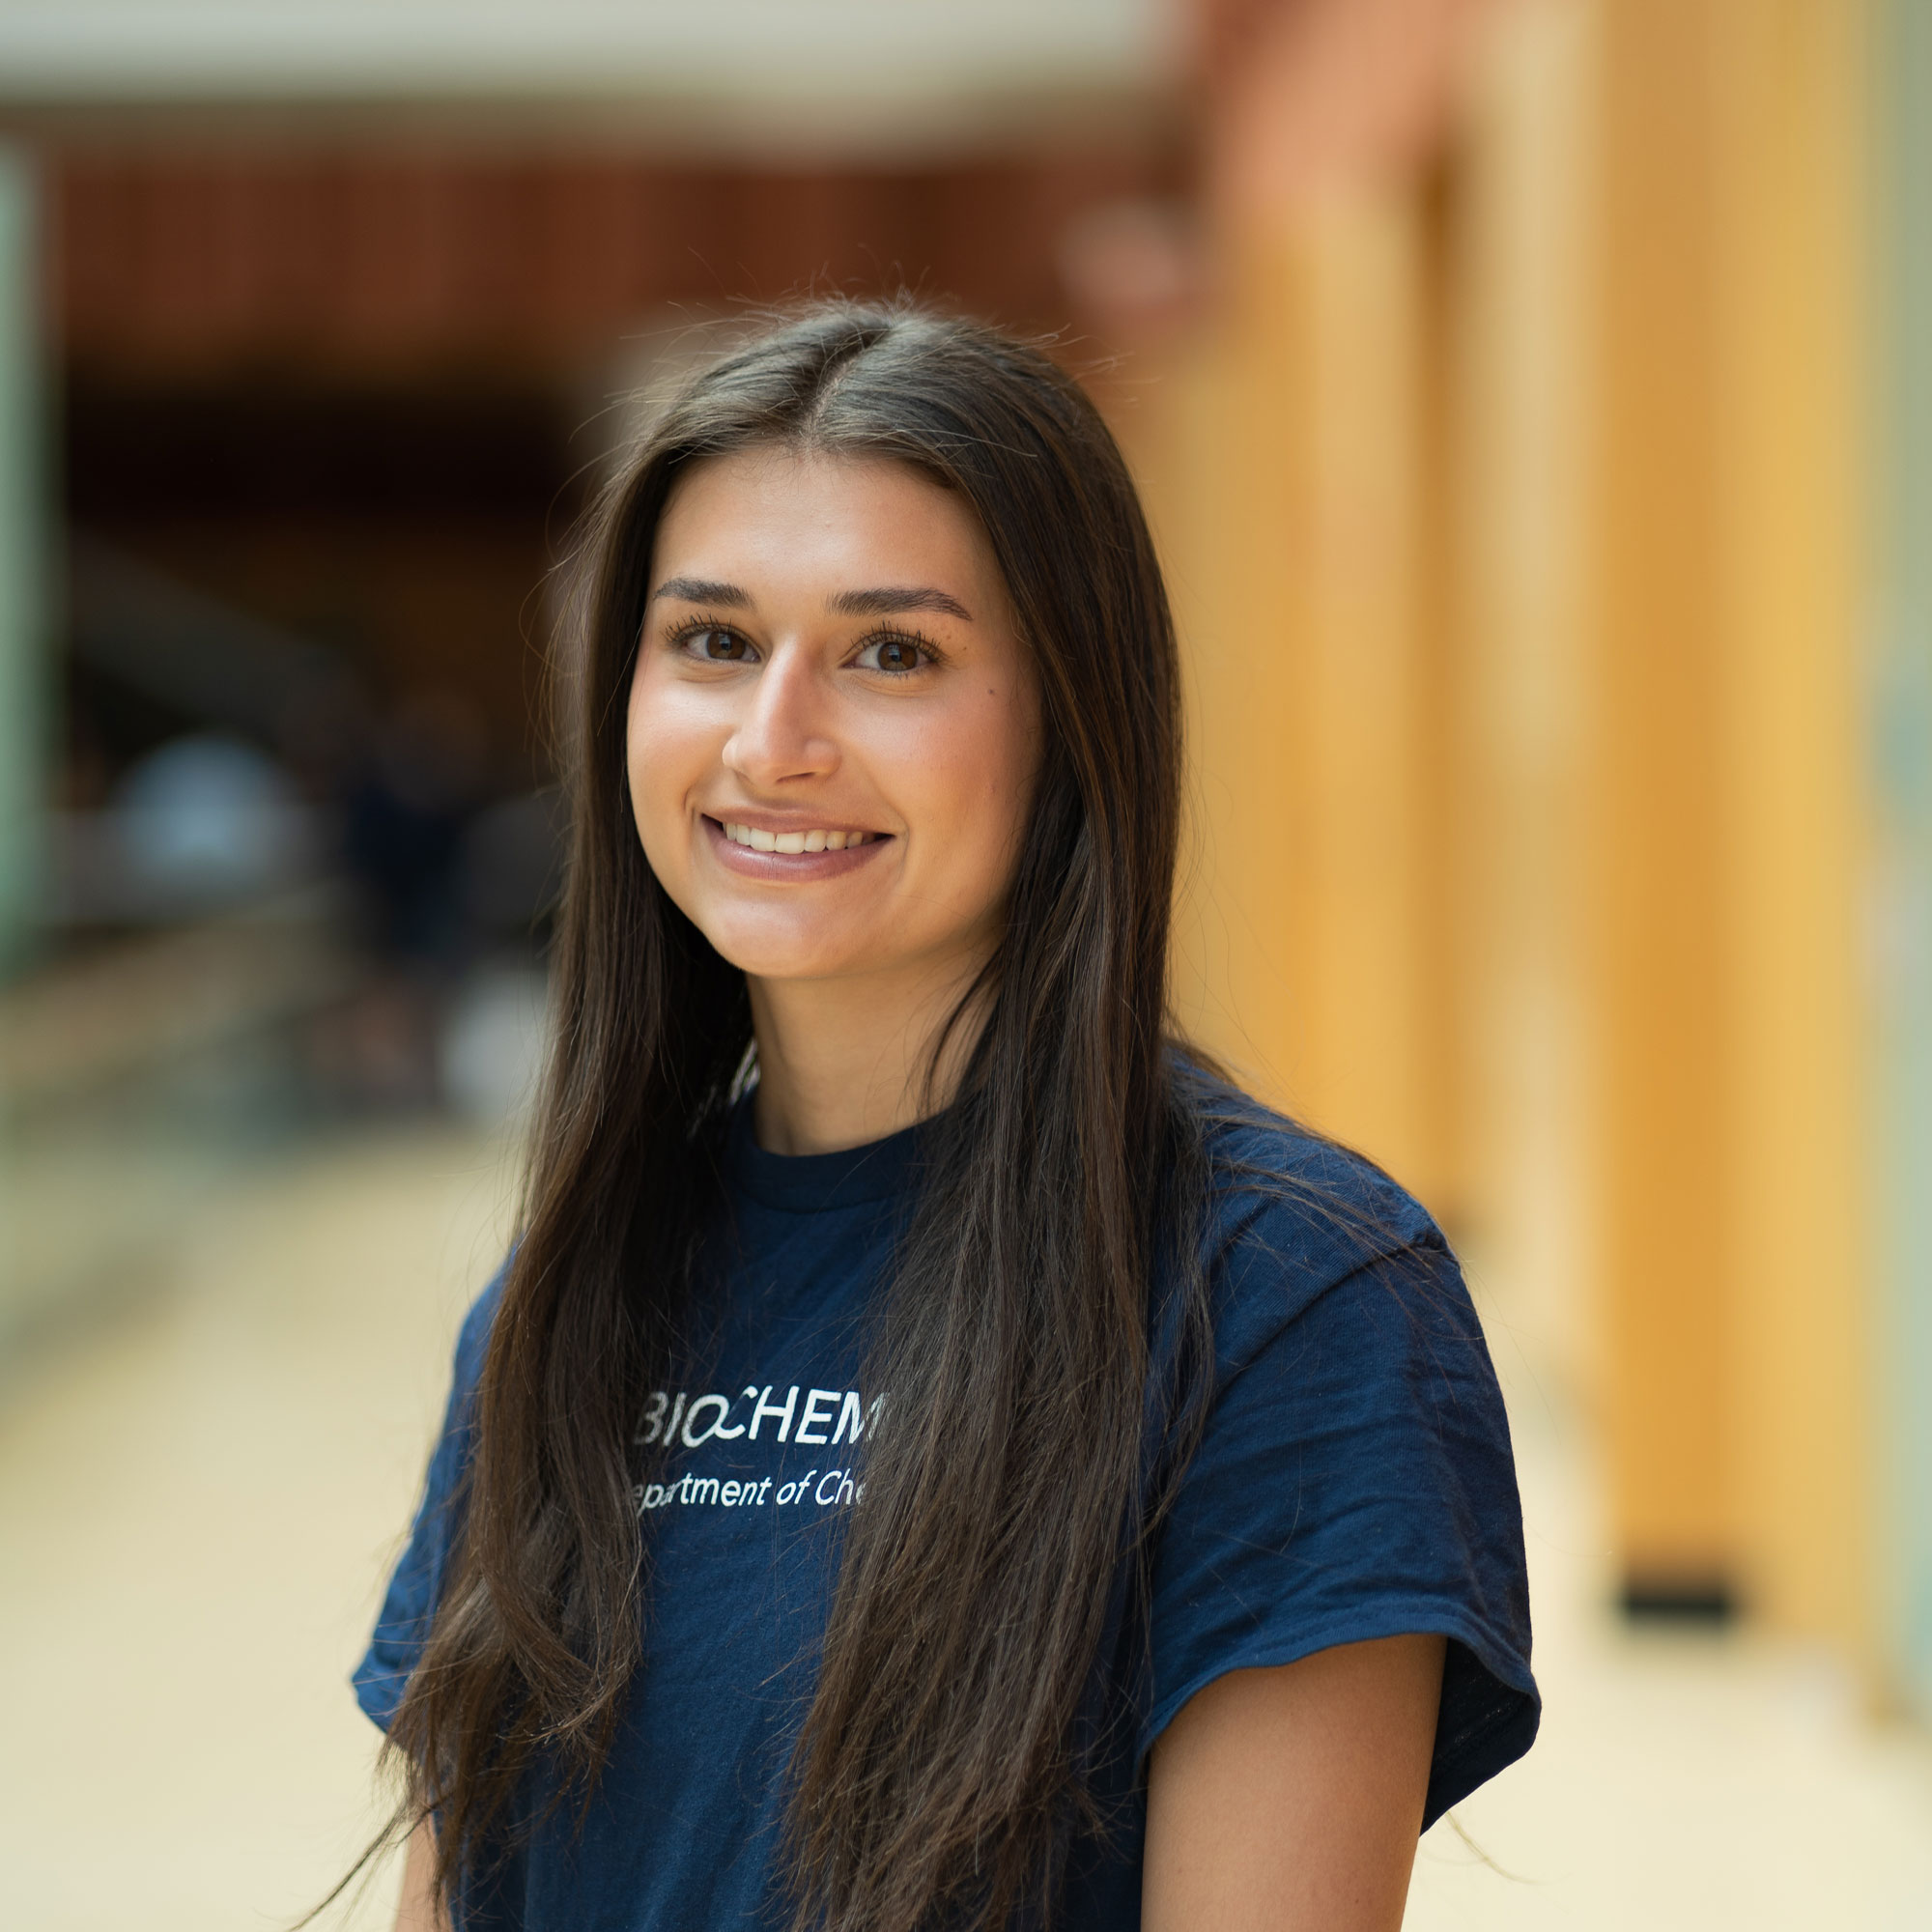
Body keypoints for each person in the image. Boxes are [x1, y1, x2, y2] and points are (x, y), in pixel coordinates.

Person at [352, 299, 1537, 1932]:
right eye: (711, 642)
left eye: (892, 652)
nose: (773, 743)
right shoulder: (562, 1304)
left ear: (1071, 721)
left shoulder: (1285, 1304)